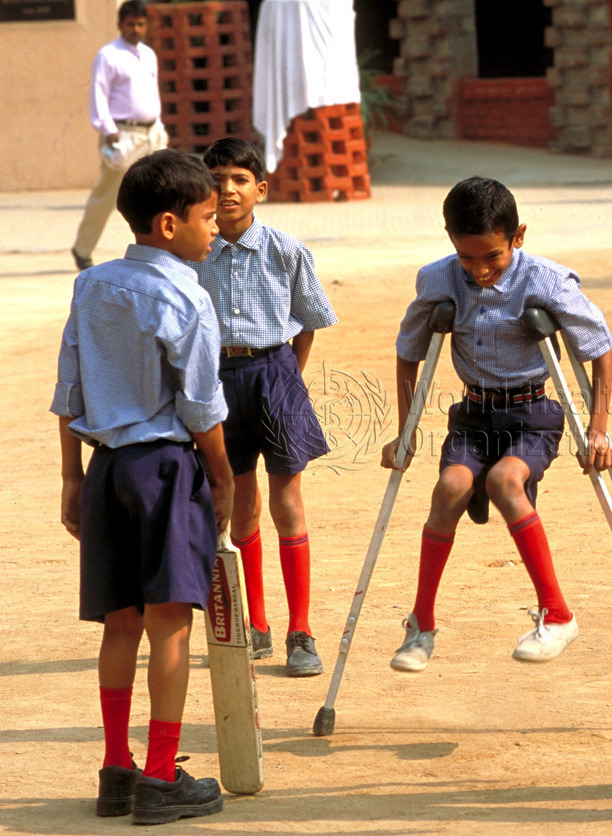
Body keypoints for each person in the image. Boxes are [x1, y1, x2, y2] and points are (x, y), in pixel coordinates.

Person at [51, 149, 235, 824]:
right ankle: (161, 777)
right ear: (167, 224)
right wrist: (222, 481)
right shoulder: (188, 294)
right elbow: (201, 406)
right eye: (207, 218)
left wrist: (72, 477)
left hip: (105, 471)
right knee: (170, 628)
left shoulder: (92, 287)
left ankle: (115, 769)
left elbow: (68, 390)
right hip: (164, 469)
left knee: (119, 623)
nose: (215, 230)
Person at [381, 176, 612, 672]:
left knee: (505, 480)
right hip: (473, 415)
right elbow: (409, 354)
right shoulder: (437, 278)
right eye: (467, 258)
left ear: (518, 236)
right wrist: (405, 431)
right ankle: (421, 624)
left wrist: (597, 429)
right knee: (448, 488)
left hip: (533, 413)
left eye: (492, 256)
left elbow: (600, 348)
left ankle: (557, 614)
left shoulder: (547, 280)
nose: (480, 270)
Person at [191, 137, 337, 677]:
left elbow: (310, 321)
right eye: (217, 179)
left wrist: (288, 377)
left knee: (288, 501)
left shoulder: (285, 250)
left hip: (275, 374)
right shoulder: (194, 250)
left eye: (238, 179)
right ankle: (257, 624)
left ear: (261, 189)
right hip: (216, 383)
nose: (227, 190)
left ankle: (302, 631)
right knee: (239, 500)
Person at [71, 0, 168, 271]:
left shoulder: (148, 54)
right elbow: (98, 94)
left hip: (151, 134)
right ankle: (82, 249)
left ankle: (158, 249)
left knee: (160, 192)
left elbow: (152, 94)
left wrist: (158, 125)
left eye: (140, 24)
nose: (135, 29)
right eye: (130, 24)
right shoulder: (108, 55)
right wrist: (108, 129)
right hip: (122, 134)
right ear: (120, 24)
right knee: (108, 195)